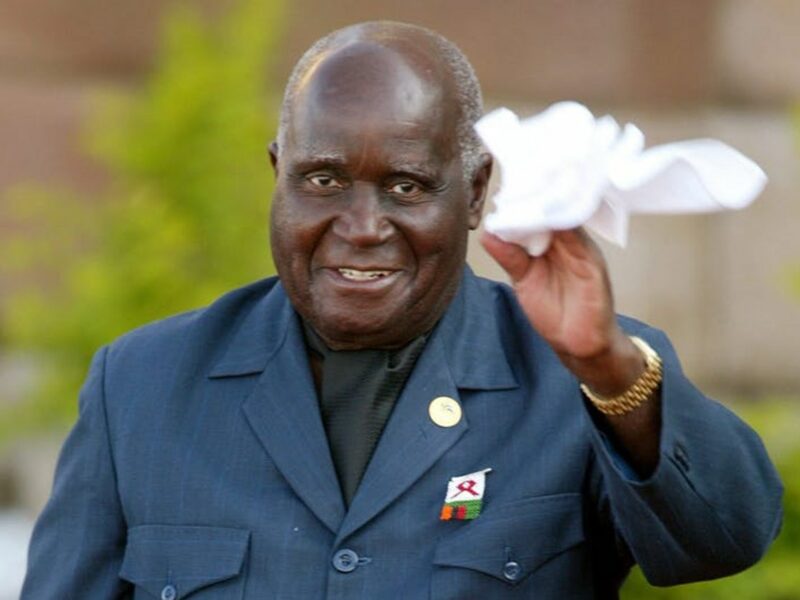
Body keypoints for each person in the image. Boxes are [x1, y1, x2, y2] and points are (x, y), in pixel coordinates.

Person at [23, 21, 782, 599]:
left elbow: (727, 538)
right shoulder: (143, 386)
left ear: (478, 189)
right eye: (323, 180)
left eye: (407, 187)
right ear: (277, 173)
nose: (361, 226)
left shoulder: (580, 379)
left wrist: (606, 366)